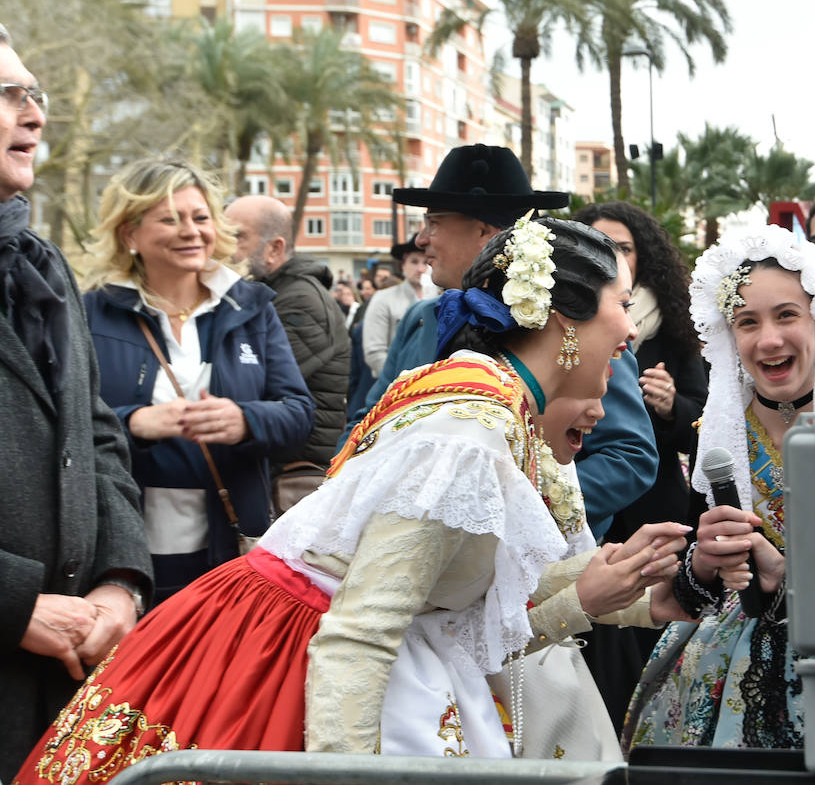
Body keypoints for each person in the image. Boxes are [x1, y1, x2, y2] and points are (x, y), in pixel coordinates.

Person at [18, 218, 689, 776]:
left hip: (297, 644)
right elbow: (363, 633)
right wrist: (345, 772)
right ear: (565, 318)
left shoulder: (484, 399)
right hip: (282, 664)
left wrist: (622, 593)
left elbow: (454, 603)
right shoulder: (469, 427)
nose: (630, 330)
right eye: (621, 304)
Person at [624, 225, 815, 750]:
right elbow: (690, 592)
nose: (769, 340)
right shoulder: (715, 437)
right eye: (747, 322)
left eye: (786, 315)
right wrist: (707, 562)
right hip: (730, 657)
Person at [345, 144, 656, 539]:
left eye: (434, 223)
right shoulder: (420, 319)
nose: (421, 239)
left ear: (483, 231)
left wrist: (511, 509)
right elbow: (368, 419)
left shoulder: (575, 326)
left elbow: (629, 457)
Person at [0, 23, 152, 781]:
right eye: (9, 95)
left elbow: (95, 437)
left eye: (36, 94)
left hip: (66, 675)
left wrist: (120, 583)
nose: (35, 115)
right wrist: (11, 603)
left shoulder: (43, 263)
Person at [81, 159, 313, 604]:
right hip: (124, 554)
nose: (191, 231)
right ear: (130, 234)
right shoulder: (90, 314)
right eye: (170, 218)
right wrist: (135, 424)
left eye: (201, 217)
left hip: (232, 544)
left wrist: (245, 420)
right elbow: (66, 430)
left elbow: (299, 414)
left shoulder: (252, 308)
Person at [573, 201, 709, 730]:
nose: (609, 255)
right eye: (596, 243)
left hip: (652, 506)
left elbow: (702, 422)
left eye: (622, 247)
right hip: (600, 517)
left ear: (643, 256)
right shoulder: (568, 325)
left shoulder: (673, 333)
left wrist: (674, 406)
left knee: (648, 643)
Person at [226, 194, 350, 477]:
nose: (223, 248)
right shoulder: (276, 294)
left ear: (274, 249)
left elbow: (248, 385)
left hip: (292, 477)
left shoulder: (301, 303)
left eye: (236, 237)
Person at [360, 235, 433, 376]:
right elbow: (374, 351)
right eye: (414, 262)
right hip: (394, 387)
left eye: (426, 262)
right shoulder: (383, 298)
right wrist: (399, 380)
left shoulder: (439, 298)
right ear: (403, 265)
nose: (420, 268)